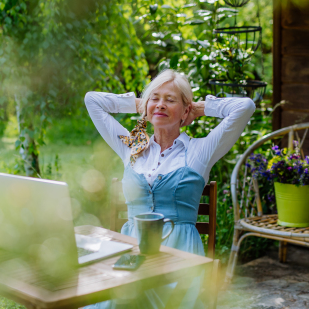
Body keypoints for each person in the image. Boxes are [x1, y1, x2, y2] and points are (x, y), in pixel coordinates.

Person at [84, 69, 256, 309]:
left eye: (170, 100)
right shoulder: (131, 147)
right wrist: (143, 104)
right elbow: (92, 100)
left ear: (185, 110)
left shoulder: (199, 152)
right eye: (155, 98)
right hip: (132, 253)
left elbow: (246, 106)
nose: (161, 105)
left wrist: (199, 108)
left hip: (179, 255)